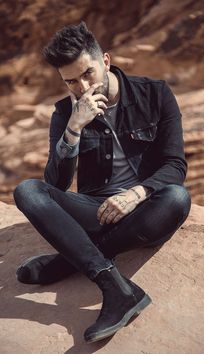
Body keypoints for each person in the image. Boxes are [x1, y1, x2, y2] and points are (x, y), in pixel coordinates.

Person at [13, 22, 191, 343]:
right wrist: (73, 129)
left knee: (178, 197)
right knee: (27, 190)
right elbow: (56, 183)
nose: (81, 87)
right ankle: (115, 287)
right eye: (70, 81)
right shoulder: (65, 112)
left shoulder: (155, 93)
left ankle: (66, 262)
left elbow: (175, 164)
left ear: (106, 61)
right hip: (96, 213)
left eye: (87, 75)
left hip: (145, 209)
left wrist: (136, 194)